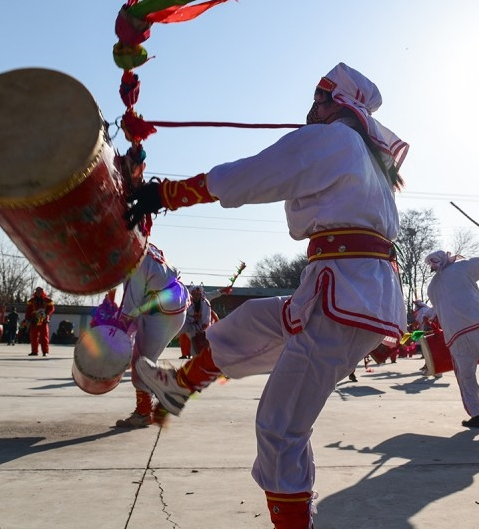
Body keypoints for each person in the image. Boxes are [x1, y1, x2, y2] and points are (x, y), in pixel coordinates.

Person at [126, 62, 408, 529]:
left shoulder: (334, 139)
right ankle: (178, 388)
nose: (310, 107)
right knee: (252, 321)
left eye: (320, 97)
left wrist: (167, 193)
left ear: (340, 104)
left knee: (279, 428)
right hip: (350, 293)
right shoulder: (365, 156)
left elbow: (251, 175)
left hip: (339, 293)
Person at [425, 240, 479, 430]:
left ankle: (477, 415)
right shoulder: (462, 268)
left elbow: (437, 312)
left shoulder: (431, 288)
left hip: (455, 337)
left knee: (465, 378)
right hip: (477, 325)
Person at [113, 243, 188, 429]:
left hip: (161, 313)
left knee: (141, 362)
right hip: (169, 307)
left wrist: (114, 334)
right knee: (142, 359)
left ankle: (144, 413)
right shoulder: (147, 248)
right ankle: (147, 404)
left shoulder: (134, 263)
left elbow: (130, 305)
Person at [181, 285, 212, 357]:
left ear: (200, 294)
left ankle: (197, 358)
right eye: (194, 294)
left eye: (198, 294)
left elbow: (206, 319)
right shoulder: (187, 302)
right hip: (189, 324)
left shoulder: (205, 303)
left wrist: (203, 330)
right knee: (177, 330)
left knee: (195, 342)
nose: (196, 296)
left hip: (201, 327)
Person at [25, 287, 55, 356]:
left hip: (43, 320)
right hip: (34, 321)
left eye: (40, 291)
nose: (38, 293)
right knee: (33, 337)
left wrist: (46, 313)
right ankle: (34, 351)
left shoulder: (48, 300)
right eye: (37, 291)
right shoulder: (31, 301)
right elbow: (28, 311)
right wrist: (27, 319)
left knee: (44, 337)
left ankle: (45, 352)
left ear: (42, 292)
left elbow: (51, 309)